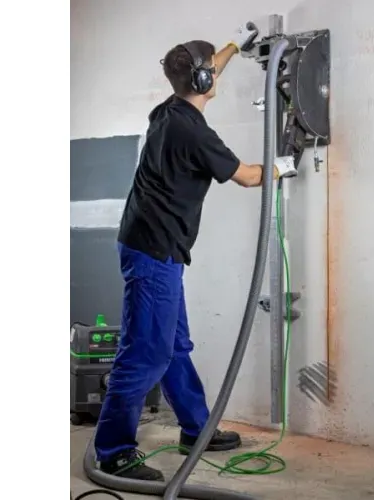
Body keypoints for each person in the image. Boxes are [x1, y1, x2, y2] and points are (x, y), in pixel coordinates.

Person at [94, 24, 297, 482]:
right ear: (204, 81)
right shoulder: (194, 134)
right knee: (146, 354)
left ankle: (195, 429)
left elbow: (208, 67)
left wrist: (234, 47)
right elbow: (248, 177)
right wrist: (283, 165)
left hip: (154, 244)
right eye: (212, 71)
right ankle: (113, 451)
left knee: (173, 346)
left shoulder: (167, 109)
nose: (215, 74)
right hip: (154, 250)